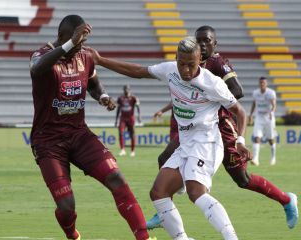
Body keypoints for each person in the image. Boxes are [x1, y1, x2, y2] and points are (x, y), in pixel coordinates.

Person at [87, 36, 253, 240]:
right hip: (185, 142)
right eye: (181, 64)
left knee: (195, 191)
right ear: (176, 58)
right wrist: (100, 60)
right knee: (158, 192)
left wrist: (240, 141)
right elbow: (138, 71)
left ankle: (231, 237)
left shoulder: (212, 83)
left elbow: (240, 111)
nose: (185, 70)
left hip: (206, 142)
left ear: (200, 60)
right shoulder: (170, 70)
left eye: (191, 65)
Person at [145, 25, 299, 230]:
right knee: (164, 158)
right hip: (198, 129)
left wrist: (212, 96)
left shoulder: (217, 64)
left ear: (214, 44)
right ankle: (164, 209)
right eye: (198, 40)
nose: (202, 43)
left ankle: (286, 200)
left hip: (221, 128)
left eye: (206, 40)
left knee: (242, 179)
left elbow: (238, 90)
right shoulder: (190, 64)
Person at [29, 15, 154, 240]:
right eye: (76, 42)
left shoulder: (85, 56)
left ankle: (144, 237)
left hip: (79, 134)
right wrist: (70, 44)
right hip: (48, 141)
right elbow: (37, 69)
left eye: (83, 42)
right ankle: (72, 234)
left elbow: (94, 84)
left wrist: (103, 96)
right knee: (67, 207)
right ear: (62, 37)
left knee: (117, 178)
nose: (81, 47)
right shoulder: (41, 55)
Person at [249, 76, 277, 166]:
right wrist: (250, 115)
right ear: (259, 83)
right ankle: (256, 159)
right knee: (257, 137)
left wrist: (271, 112)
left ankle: (273, 157)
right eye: (261, 83)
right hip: (259, 117)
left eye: (264, 83)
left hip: (268, 117)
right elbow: (254, 104)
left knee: (270, 139)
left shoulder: (271, 93)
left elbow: (274, 105)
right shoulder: (255, 93)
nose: (262, 84)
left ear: (266, 84)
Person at [116, 84, 141, 157]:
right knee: (120, 132)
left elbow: (138, 106)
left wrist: (139, 117)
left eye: (127, 89)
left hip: (131, 118)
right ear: (123, 90)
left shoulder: (133, 98)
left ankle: (132, 151)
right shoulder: (120, 98)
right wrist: (116, 119)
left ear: (129, 90)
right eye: (125, 89)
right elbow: (118, 109)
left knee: (132, 133)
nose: (126, 90)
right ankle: (122, 150)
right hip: (122, 118)